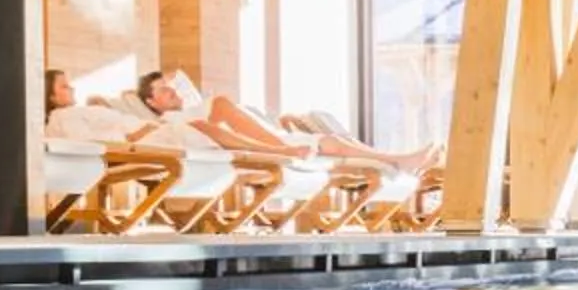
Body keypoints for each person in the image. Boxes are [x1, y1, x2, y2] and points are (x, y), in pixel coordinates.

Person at [134, 71, 436, 173]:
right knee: (223, 102)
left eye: (171, 86)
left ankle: (397, 160)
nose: (171, 91)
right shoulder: (171, 122)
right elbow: (212, 130)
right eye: (162, 90)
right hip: (264, 146)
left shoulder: (195, 108)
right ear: (151, 103)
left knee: (337, 142)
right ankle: (399, 161)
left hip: (270, 139)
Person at [43, 69, 169, 145]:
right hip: (142, 140)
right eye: (64, 86)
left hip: (147, 131)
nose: (72, 88)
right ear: (51, 97)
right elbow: (88, 145)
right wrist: (135, 135)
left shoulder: (73, 113)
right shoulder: (62, 117)